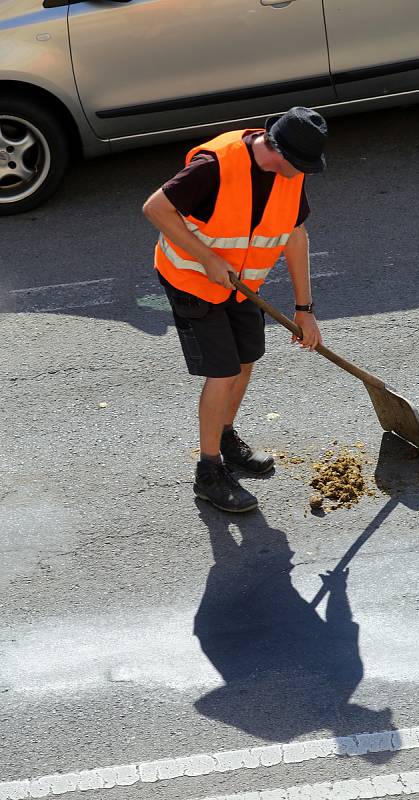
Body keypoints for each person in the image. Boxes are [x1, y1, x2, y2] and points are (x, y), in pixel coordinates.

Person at [143, 107, 327, 513]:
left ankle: (224, 438)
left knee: (245, 360)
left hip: (243, 287)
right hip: (191, 281)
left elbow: (295, 237)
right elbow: (155, 208)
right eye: (301, 165)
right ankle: (208, 474)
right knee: (222, 371)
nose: (304, 173)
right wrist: (206, 257)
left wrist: (304, 309)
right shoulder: (215, 166)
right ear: (277, 150)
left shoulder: (289, 176)